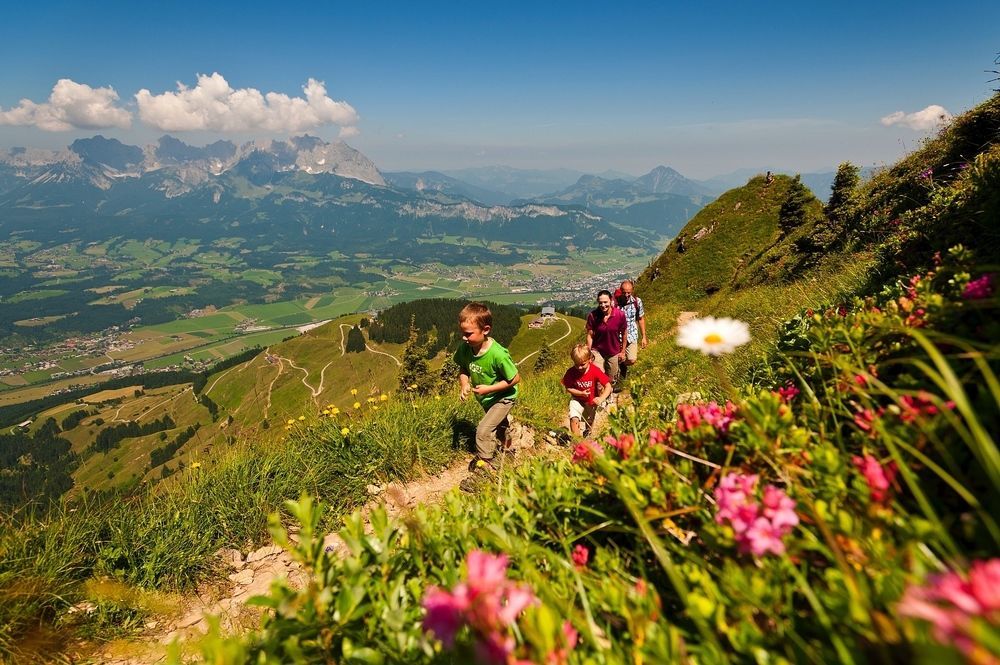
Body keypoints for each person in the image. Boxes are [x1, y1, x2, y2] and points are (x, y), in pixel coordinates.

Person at [454, 302, 520, 491]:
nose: (464, 337)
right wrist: (465, 384)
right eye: (462, 332)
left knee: (483, 430)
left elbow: (515, 378)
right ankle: (507, 452)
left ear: (486, 330)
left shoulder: (498, 354)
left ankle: (486, 470)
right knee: (500, 427)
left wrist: (489, 389)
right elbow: (463, 368)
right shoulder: (465, 349)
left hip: (504, 397)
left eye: (468, 334)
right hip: (487, 399)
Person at [561, 343, 612, 437]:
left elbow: (608, 386)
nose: (579, 367)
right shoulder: (571, 372)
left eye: (582, 364)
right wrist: (580, 393)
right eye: (576, 364)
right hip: (577, 399)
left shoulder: (595, 370)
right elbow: (568, 388)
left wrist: (601, 399)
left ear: (589, 360)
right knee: (574, 418)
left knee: (589, 420)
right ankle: (577, 442)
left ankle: (588, 433)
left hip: (591, 401)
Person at [586, 289, 627, 391]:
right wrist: (588, 352)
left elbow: (624, 333)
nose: (603, 305)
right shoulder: (593, 316)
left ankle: (609, 395)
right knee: (599, 377)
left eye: (605, 302)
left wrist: (622, 351)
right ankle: (600, 400)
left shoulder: (619, 315)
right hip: (597, 350)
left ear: (611, 301)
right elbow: (590, 335)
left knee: (611, 378)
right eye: (600, 303)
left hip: (613, 351)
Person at [617, 279, 647, 382]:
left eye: (628, 292)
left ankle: (622, 366)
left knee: (632, 359)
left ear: (632, 290)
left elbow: (641, 318)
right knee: (617, 358)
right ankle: (619, 378)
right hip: (618, 336)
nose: (626, 295)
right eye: (624, 292)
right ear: (621, 290)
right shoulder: (615, 303)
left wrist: (644, 336)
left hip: (632, 334)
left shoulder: (637, 302)